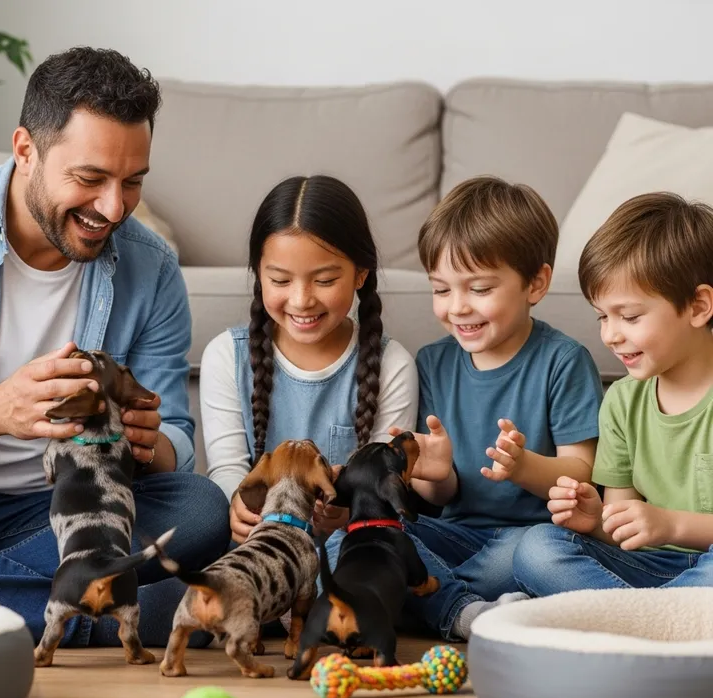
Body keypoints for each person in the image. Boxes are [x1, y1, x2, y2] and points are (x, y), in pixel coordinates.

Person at [0, 46, 230, 649]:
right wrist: (1, 408)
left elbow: (179, 446)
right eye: (90, 179)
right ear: (25, 150)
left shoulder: (152, 268)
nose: (113, 208)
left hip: (59, 517)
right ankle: (91, 615)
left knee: (201, 509)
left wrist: (151, 443)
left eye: (131, 182)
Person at [400, 176, 603, 640]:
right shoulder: (433, 362)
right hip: (455, 537)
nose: (457, 307)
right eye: (441, 289)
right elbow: (440, 499)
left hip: (530, 537)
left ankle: (425, 598)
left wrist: (523, 466)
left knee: (539, 555)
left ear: (536, 283)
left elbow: (585, 471)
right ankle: (472, 612)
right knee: (359, 537)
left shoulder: (562, 360)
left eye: (479, 288)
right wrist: (435, 474)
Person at [199, 174, 419, 543]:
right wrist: (236, 502)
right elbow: (227, 471)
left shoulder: (392, 364)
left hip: (347, 549)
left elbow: (383, 486)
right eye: (281, 281)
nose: (301, 300)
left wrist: (348, 511)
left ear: (360, 273)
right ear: (259, 275)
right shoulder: (225, 356)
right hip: (258, 550)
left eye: (324, 280)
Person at [513, 192, 713, 593]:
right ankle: (659, 621)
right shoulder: (623, 401)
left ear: (698, 306)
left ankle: (633, 621)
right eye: (603, 316)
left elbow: (662, 525)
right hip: (649, 567)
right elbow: (620, 518)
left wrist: (671, 523)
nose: (610, 335)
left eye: (631, 316)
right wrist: (596, 520)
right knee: (537, 547)